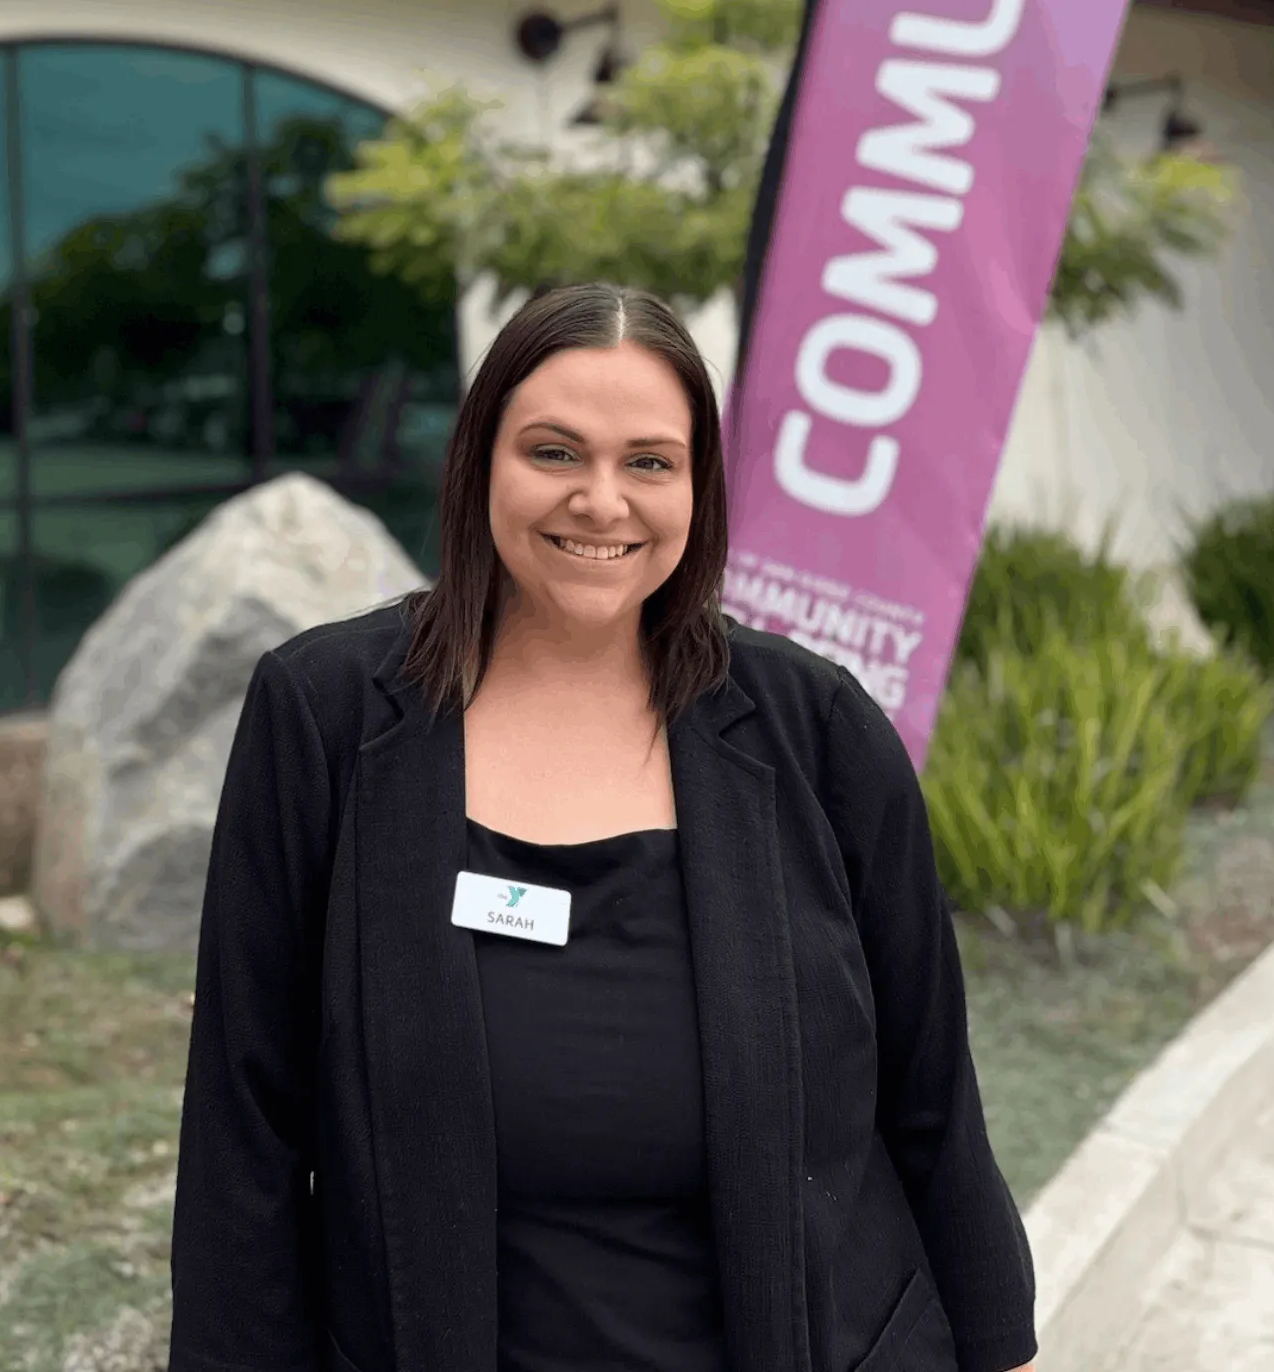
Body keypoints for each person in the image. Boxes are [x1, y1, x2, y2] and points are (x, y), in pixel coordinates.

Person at [167, 283, 1038, 1372]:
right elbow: (242, 1122)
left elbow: (929, 1089)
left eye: (647, 462)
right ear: (477, 457)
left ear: (697, 487)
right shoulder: (327, 716)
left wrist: (1002, 1346)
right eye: (553, 451)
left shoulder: (812, 729)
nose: (600, 500)